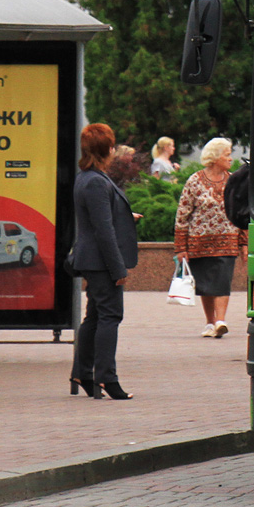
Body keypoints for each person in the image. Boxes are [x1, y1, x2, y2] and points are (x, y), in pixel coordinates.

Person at [70, 123, 139, 401]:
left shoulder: (86, 177)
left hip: (91, 258)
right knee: (111, 316)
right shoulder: (97, 181)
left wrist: (126, 216)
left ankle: (83, 373)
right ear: (107, 149)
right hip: (101, 261)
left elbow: (100, 218)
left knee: (95, 316)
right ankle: (106, 379)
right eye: (112, 145)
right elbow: (103, 230)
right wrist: (118, 268)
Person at [174, 138, 247, 338]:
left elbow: (241, 213)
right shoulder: (194, 181)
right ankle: (210, 322)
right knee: (206, 285)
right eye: (227, 154)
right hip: (199, 242)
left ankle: (221, 321)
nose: (231, 159)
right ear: (215, 158)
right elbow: (182, 215)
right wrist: (181, 247)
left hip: (227, 241)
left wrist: (244, 243)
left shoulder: (233, 182)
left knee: (223, 282)